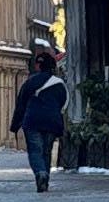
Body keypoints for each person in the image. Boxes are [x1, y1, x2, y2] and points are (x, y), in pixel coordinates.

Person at [9, 46, 68, 192]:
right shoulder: (60, 84)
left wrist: (15, 126)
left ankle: (40, 173)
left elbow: (21, 104)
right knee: (46, 151)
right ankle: (45, 177)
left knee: (35, 151)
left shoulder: (30, 82)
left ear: (38, 66)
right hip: (52, 122)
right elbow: (64, 103)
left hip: (32, 121)